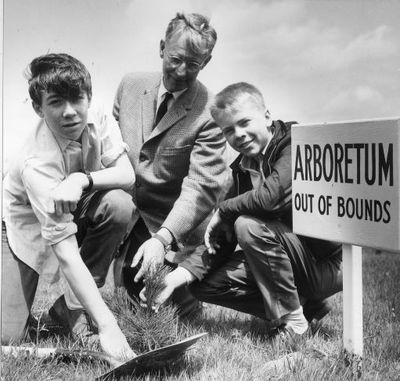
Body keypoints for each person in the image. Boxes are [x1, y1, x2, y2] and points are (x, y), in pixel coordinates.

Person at [147, 82, 343, 337]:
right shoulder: (242, 171)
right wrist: (176, 277)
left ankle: (293, 324)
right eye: (228, 130)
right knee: (203, 285)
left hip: (328, 264)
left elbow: (272, 198)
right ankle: (303, 306)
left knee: (247, 225)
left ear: (267, 117)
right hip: (294, 264)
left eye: (245, 122)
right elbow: (220, 242)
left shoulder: (295, 143)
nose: (238, 134)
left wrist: (225, 209)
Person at [2, 53, 136, 363]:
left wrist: (81, 178)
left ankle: (71, 308)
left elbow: (127, 175)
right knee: (7, 336)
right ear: (38, 108)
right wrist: (110, 326)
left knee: (118, 205)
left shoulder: (98, 111)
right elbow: (65, 252)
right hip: (23, 224)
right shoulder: (36, 162)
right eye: (55, 102)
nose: (70, 112)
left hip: (77, 199)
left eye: (77, 99)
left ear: (88, 96)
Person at [113, 12, 226, 316]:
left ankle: (188, 295)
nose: (181, 70)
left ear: (207, 62)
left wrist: (162, 239)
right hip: (127, 212)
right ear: (162, 47)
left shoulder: (211, 113)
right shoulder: (130, 85)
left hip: (172, 228)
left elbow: (201, 188)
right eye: (175, 58)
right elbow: (110, 147)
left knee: (165, 312)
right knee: (125, 307)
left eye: (193, 65)